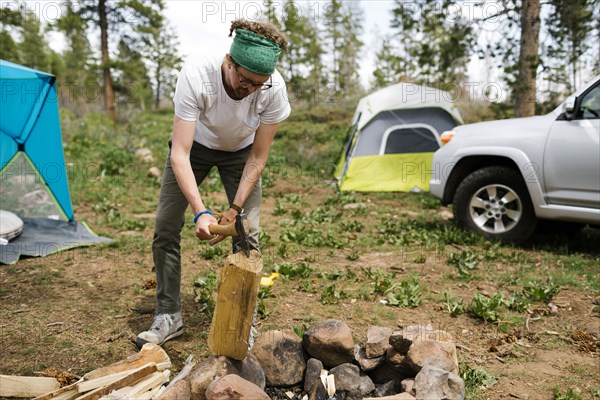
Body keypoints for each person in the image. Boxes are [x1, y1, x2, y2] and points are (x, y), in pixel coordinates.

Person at [136, 19, 291, 348]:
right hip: (195, 149)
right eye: (245, 81)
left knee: (248, 234)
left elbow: (258, 158)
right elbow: (179, 152)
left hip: (241, 154)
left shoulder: (273, 88)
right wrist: (200, 211)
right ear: (229, 61)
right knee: (165, 226)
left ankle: (241, 320)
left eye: (258, 85)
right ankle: (168, 315)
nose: (249, 91)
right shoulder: (197, 73)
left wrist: (234, 210)